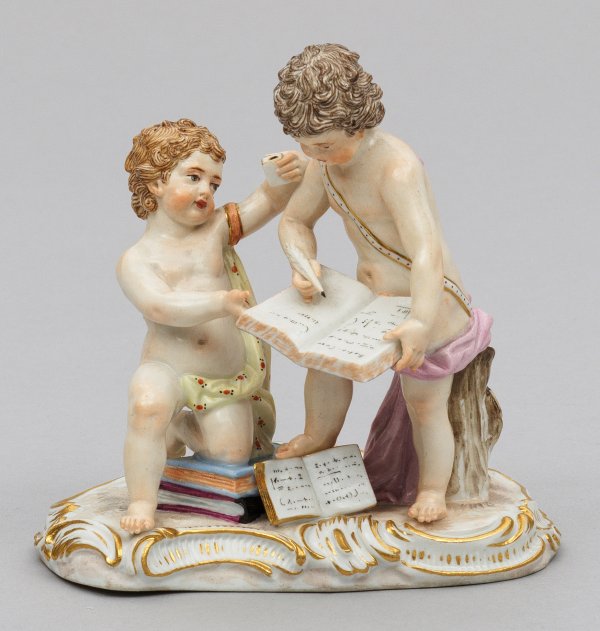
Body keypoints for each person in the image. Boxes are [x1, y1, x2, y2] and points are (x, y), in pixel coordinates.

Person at [274, 44, 492, 523]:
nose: (313, 156)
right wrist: (302, 263)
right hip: (371, 303)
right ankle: (317, 436)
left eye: (324, 146)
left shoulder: (397, 167)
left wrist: (420, 320)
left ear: (358, 124)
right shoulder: (323, 163)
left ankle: (431, 489)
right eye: (305, 145)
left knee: (423, 402)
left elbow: (426, 252)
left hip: (429, 301)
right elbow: (294, 221)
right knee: (323, 361)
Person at [119, 119, 306, 534]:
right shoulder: (137, 259)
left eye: (214, 183)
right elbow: (160, 306)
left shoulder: (217, 230)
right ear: (156, 182)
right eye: (193, 177)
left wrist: (279, 178)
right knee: (147, 405)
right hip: (167, 368)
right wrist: (219, 302)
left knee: (232, 454)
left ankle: (180, 424)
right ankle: (142, 501)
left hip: (223, 378)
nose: (206, 190)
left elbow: (265, 202)